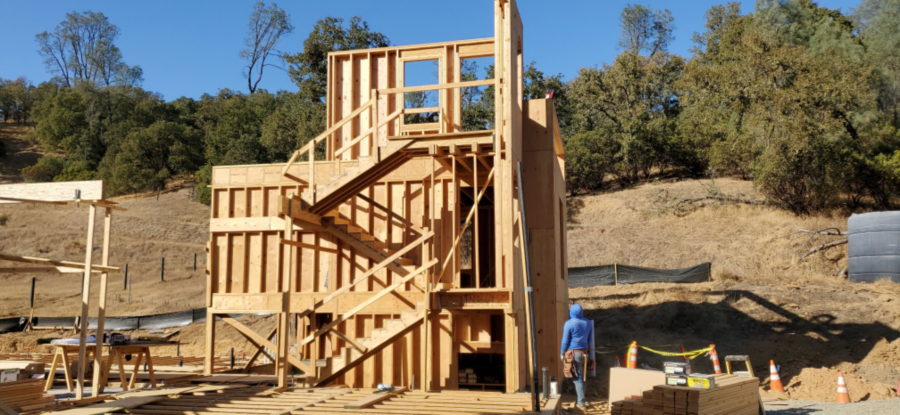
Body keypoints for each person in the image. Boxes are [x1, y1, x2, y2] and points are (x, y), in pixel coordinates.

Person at [560, 303, 594, 409]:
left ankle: (581, 403)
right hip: (585, 353)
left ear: (571, 312)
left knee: (577, 378)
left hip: (574, 354)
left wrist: (562, 352)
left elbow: (565, 341)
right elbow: (589, 340)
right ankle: (581, 400)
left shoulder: (569, 324)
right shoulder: (588, 323)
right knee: (583, 377)